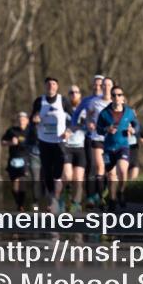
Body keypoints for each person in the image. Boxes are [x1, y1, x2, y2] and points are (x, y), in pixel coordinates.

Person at [28, 77, 74, 214]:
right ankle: (52, 198)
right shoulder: (39, 101)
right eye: (48, 84)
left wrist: (69, 131)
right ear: (45, 86)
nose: (51, 86)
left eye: (54, 84)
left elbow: (73, 118)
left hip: (60, 141)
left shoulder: (63, 101)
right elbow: (32, 119)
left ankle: (56, 197)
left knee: (58, 173)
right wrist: (34, 119)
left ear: (57, 87)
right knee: (47, 171)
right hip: (44, 141)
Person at [97, 85, 140, 210]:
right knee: (111, 175)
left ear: (123, 98)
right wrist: (106, 129)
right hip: (108, 148)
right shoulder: (104, 113)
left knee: (122, 171)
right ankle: (112, 199)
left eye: (119, 95)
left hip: (123, 146)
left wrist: (133, 129)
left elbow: (137, 125)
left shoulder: (129, 112)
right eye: (114, 95)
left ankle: (121, 191)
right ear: (111, 97)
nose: (117, 97)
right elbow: (98, 129)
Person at [72, 75, 111, 208]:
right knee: (91, 166)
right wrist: (77, 126)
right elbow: (77, 113)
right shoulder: (88, 100)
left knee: (106, 168)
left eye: (101, 84)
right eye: (96, 84)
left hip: (108, 139)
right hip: (90, 137)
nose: (98, 86)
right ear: (93, 85)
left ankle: (102, 192)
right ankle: (90, 197)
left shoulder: (111, 100)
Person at [60, 84, 88, 213]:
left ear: (80, 95)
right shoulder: (63, 109)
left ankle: (76, 203)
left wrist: (71, 129)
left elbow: (82, 124)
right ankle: (61, 199)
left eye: (76, 92)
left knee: (78, 179)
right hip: (66, 147)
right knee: (67, 176)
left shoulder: (84, 110)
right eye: (71, 92)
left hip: (79, 147)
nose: (73, 94)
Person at [0, 111, 32, 211]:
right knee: (15, 186)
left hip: (25, 158)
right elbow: (2, 142)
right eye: (19, 119)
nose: (21, 121)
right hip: (13, 159)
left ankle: (21, 205)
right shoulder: (11, 131)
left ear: (27, 120)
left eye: (23, 119)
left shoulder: (31, 131)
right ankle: (19, 203)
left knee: (22, 181)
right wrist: (10, 142)